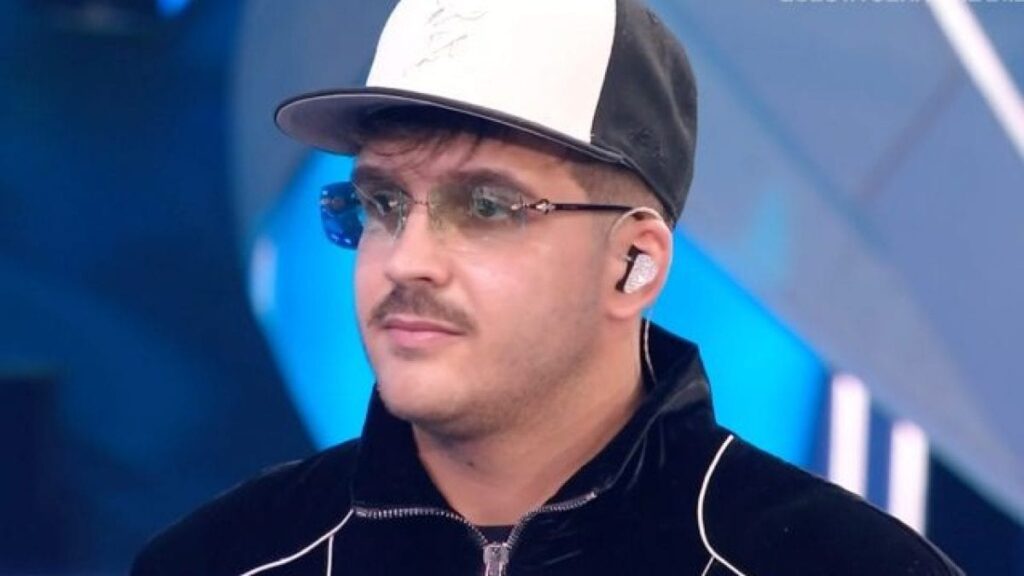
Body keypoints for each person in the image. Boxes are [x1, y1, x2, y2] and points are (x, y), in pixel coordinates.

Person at [132, 0, 964, 574]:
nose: (408, 259)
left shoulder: (841, 567)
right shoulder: (218, 562)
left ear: (633, 263)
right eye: (382, 204)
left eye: (486, 207)